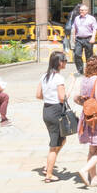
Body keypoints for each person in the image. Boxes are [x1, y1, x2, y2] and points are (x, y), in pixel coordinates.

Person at [74, 54, 97, 188]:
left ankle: (94, 179)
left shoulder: (84, 79)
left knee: (92, 148)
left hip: (86, 117)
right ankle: (84, 170)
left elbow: (76, 98)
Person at [36, 50, 69, 183]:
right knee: (54, 145)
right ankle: (49, 174)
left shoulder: (44, 76)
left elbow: (38, 95)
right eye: (65, 60)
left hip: (46, 110)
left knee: (62, 140)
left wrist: (49, 95)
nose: (66, 62)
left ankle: (48, 165)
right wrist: (68, 92)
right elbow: (62, 98)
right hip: (56, 111)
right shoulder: (59, 78)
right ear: (59, 63)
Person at [71, 4, 97, 73]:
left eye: (82, 10)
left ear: (87, 11)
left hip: (88, 39)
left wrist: (93, 38)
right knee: (77, 54)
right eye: (80, 10)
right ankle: (80, 70)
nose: (81, 11)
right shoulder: (77, 18)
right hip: (79, 39)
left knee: (89, 56)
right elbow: (74, 28)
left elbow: (95, 28)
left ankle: (89, 71)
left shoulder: (91, 18)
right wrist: (73, 37)